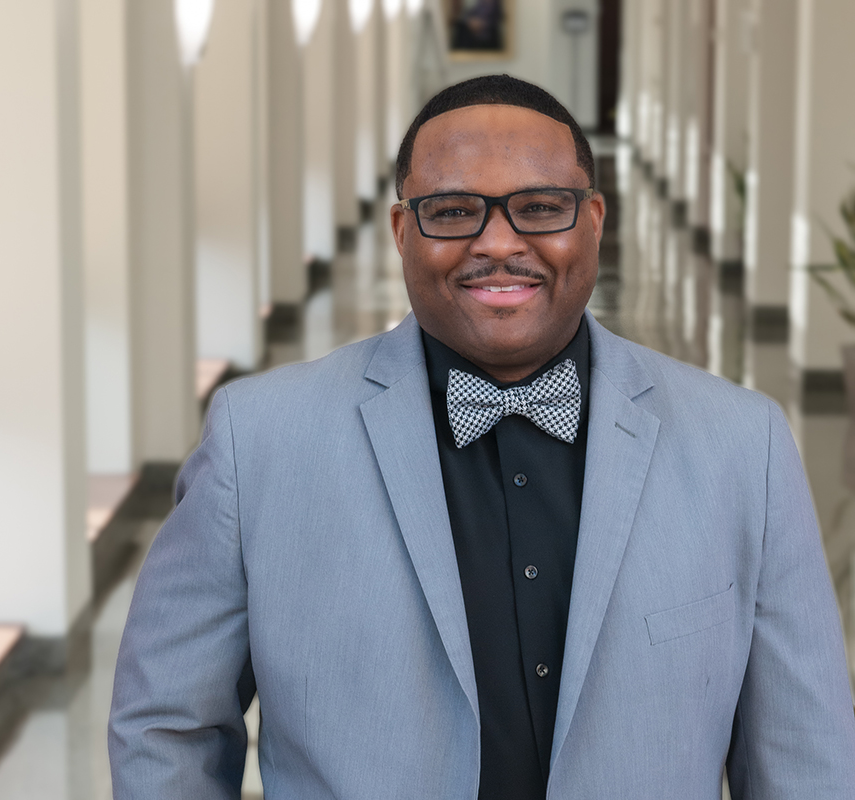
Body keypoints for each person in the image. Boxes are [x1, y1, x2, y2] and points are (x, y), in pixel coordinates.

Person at [108, 74, 855, 799]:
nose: (498, 243)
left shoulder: (742, 446)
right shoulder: (258, 440)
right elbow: (168, 726)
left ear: (594, 221)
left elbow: (805, 757)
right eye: (455, 210)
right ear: (404, 231)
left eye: (539, 207)